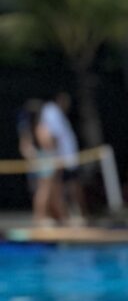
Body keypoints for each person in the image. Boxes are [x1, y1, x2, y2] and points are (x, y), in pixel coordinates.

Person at [38, 92, 79, 222]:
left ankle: (60, 216)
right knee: (47, 187)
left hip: (56, 156)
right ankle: (41, 217)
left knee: (56, 188)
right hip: (52, 156)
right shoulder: (50, 114)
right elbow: (48, 136)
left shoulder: (54, 116)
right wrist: (55, 154)